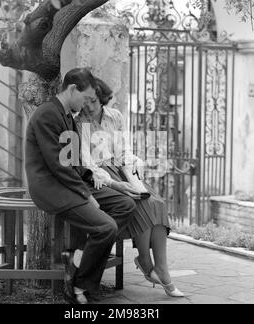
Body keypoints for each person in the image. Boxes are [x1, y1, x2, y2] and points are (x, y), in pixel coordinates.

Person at [25, 68, 137, 304]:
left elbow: (74, 161)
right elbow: (59, 166)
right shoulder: (48, 115)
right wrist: (86, 195)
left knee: (125, 204)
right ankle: (78, 286)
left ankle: (79, 257)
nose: (87, 104)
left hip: (70, 182)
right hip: (51, 188)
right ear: (72, 89)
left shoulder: (66, 115)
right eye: (86, 98)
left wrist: (101, 182)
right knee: (105, 227)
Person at [75, 77, 185, 298]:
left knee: (157, 203)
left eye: (94, 101)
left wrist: (132, 173)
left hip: (121, 171)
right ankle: (148, 264)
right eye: (86, 101)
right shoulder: (80, 122)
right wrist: (113, 182)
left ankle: (158, 267)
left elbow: (123, 152)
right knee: (140, 203)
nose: (89, 106)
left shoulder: (115, 117)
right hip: (101, 177)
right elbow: (87, 161)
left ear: (102, 98)